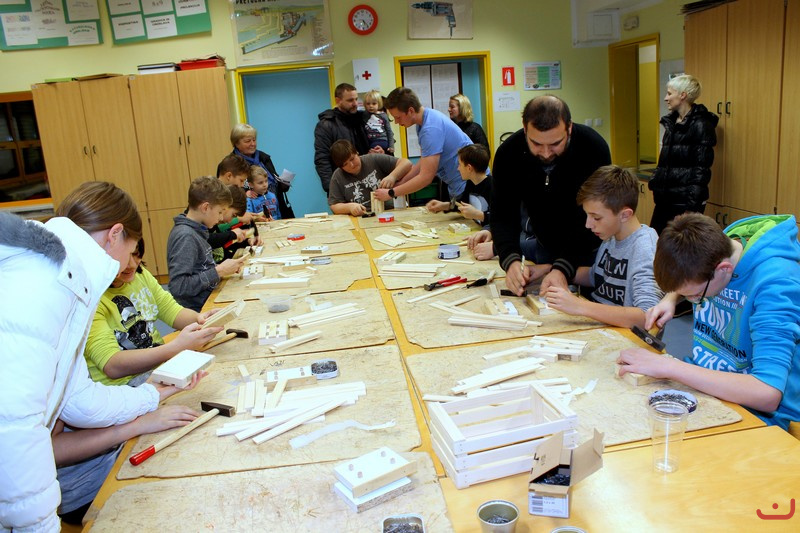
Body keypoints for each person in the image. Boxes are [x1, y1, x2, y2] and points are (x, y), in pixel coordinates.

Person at [0, 181, 201, 531]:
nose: (127, 265)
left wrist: (151, 395)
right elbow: (16, 435)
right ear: (115, 235)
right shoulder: (44, 288)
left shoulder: (62, 278)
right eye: (131, 250)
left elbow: (78, 399)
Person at [617, 213, 800, 431]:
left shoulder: (776, 285)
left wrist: (669, 367)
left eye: (696, 296)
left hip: (758, 413)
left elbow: (767, 393)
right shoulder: (720, 247)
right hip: (709, 385)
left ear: (724, 269)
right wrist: (671, 298)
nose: (693, 300)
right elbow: (696, 279)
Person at [491, 95, 611, 296]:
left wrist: (563, 267)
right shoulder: (508, 153)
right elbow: (502, 214)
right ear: (525, 128)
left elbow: (595, 217)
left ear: (569, 128)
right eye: (536, 144)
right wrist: (510, 259)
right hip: (545, 246)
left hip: (588, 249)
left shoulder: (593, 148)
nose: (546, 153)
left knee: (587, 307)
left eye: (555, 143)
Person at [83, 237, 222, 387]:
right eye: (123, 258)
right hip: (125, 384)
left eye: (135, 253)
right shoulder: (89, 299)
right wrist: (176, 347)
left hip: (160, 364)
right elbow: (112, 365)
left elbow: (172, 311)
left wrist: (201, 319)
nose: (132, 264)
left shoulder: (139, 275)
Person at [543, 165, 662, 328]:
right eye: (587, 215)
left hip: (626, 337)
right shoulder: (611, 237)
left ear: (624, 215)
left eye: (596, 218)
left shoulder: (644, 247)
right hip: (603, 326)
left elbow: (647, 316)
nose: (588, 224)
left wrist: (580, 306)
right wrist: (553, 270)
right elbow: (596, 276)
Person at [374, 87, 472, 204]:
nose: (396, 122)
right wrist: (400, 183)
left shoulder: (430, 129)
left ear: (410, 111)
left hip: (468, 185)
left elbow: (426, 177)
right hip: (458, 185)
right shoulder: (423, 122)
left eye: (398, 117)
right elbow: (424, 162)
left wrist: (391, 193)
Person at [648, 74, 718, 234]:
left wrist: (691, 209)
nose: (666, 98)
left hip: (685, 203)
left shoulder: (701, 125)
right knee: (656, 240)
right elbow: (664, 161)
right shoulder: (671, 123)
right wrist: (655, 181)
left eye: (669, 93)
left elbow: (701, 170)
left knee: (679, 245)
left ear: (683, 95)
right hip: (665, 200)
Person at [167, 176, 246, 312]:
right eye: (219, 212)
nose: (221, 218)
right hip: (199, 311)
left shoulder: (197, 231)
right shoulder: (186, 236)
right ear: (205, 207)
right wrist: (219, 271)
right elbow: (179, 287)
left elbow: (200, 269)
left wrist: (223, 268)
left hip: (209, 301)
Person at [314, 83, 378, 193]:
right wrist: (331, 189)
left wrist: (380, 149)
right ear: (338, 101)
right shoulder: (326, 125)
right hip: (344, 185)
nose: (355, 104)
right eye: (350, 100)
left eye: (356, 99)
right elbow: (322, 159)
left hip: (369, 179)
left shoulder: (362, 119)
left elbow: (378, 138)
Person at [327, 140, 412, 216]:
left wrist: (393, 176)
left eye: (352, 159)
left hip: (391, 210)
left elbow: (406, 163)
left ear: (357, 153)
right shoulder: (337, 177)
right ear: (341, 167)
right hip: (364, 216)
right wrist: (350, 207)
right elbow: (334, 206)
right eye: (345, 164)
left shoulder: (373, 159)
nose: (351, 165)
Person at [230, 123, 294, 219]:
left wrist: (283, 184)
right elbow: (228, 192)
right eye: (248, 141)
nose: (252, 144)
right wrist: (244, 194)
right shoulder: (231, 163)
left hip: (276, 210)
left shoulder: (263, 157)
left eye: (254, 140)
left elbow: (274, 179)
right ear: (236, 143)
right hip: (252, 214)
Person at [425, 144, 493, 228]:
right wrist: (445, 205)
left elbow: (503, 217)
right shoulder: (471, 182)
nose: (458, 168)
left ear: (469, 168)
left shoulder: (493, 186)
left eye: (460, 164)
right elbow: (461, 203)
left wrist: (478, 215)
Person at [363, 90, 395, 154]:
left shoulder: (383, 115)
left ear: (379, 104)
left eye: (374, 104)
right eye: (368, 104)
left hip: (382, 140)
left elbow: (389, 131)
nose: (371, 106)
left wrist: (391, 146)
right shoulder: (364, 115)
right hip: (371, 141)